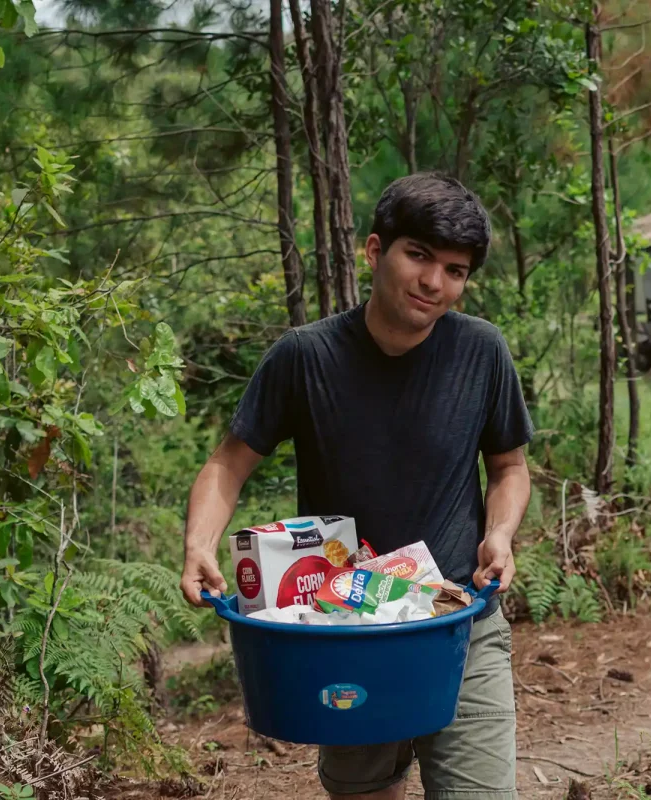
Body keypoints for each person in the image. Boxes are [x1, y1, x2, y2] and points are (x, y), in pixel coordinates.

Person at [178, 173, 533, 800]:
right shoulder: (305, 357)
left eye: (454, 270)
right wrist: (199, 545)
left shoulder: (482, 351)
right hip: (345, 631)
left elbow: (509, 467)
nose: (433, 283)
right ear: (375, 251)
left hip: (458, 627)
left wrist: (500, 535)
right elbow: (227, 465)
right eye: (418, 256)